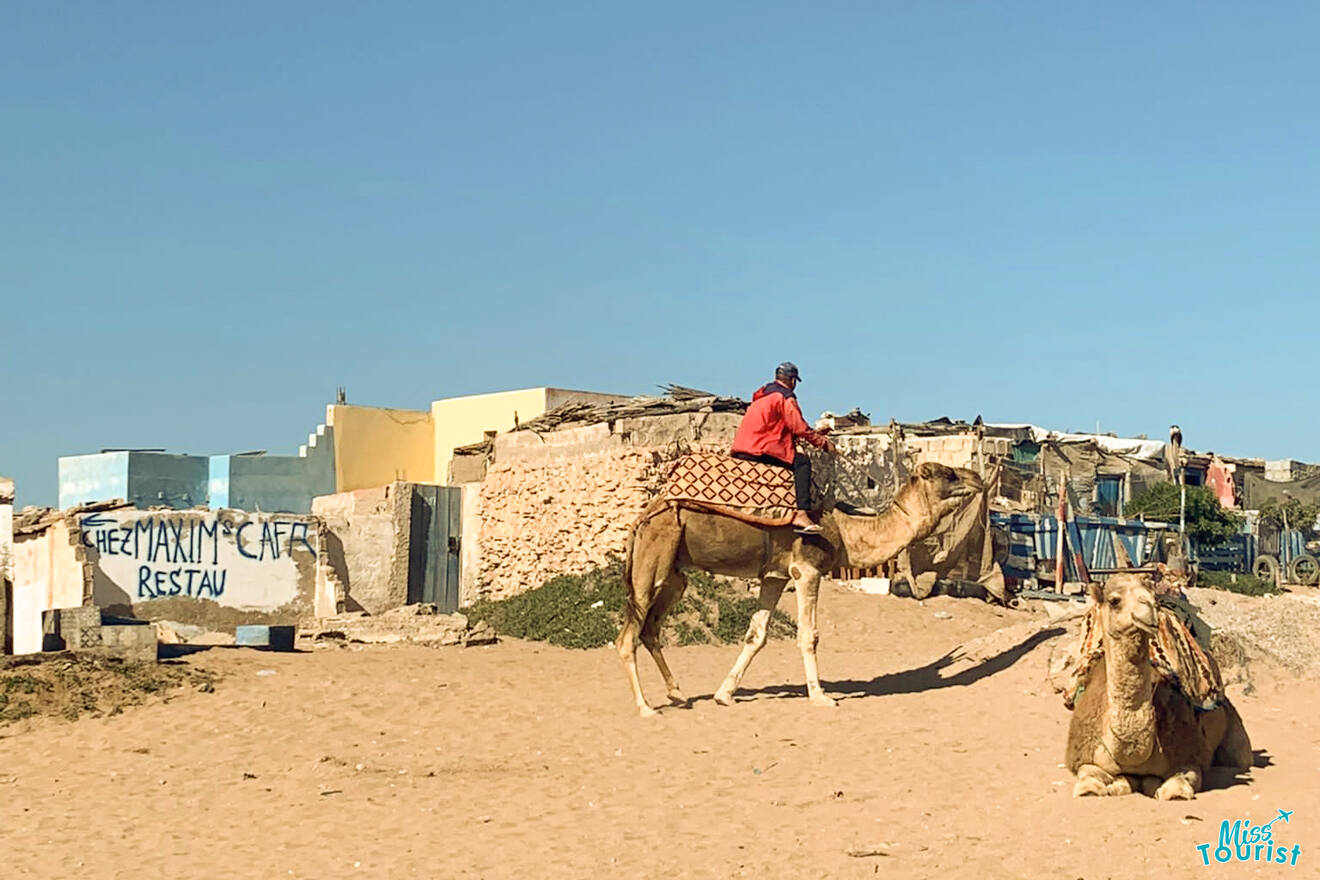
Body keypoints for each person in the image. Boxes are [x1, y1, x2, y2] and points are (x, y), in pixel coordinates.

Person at [731, 361, 838, 534]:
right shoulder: (785, 397)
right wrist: (823, 444)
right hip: (759, 449)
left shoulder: (762, 397)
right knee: (802, 463)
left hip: (742, 447)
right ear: (793, 380)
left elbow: (779, 426)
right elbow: (799, 427)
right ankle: (802, 513)